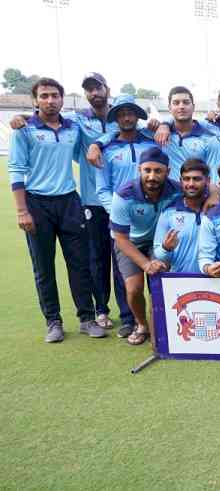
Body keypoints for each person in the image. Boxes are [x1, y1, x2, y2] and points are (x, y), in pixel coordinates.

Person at [9, 72, 132, 331]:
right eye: (44, 96)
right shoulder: (33, 128)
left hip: (73, 202)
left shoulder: (74, 127)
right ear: (35, 100)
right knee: (48, 266)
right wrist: (22, 211)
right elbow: (16, 169)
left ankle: (89, 318)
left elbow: (110, 138)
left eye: (55, 96)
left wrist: (97, 145)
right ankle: (55, 321)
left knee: (82, 264)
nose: (50, 100)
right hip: (48, 202)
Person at [109, 147, 182, 345]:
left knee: (160, 283)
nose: (152, 176)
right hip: (130, 243)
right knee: (133, 289)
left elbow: (209, 188)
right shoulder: (124, 195)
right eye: (147, 170)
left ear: (167, 172)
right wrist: (145, 264)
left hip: (159, 243)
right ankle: (142, 324)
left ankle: (166, 326)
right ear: (139, 169)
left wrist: (211, 195)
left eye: (158, 171)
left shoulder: (176, 189)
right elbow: (121, 238)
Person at [90, 86, 220, 182]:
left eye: (186, 102)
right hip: (166, 202)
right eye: (176, 103)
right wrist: (96, 144)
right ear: (169, 108)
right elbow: (124, 132)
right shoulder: (154, 133)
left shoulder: (209, 139)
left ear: (193, 106)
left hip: (198, 200)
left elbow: (214, 175)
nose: (181, 106)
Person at [153, 159, 211, 273]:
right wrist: (165, 248)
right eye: (186, 179)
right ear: (180, 181)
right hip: (180, 283)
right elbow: (158, 254)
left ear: (208, 181)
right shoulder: (169, 212)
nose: (191, 184)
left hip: (215, 280)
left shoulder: (218, 209)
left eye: (197, 179)